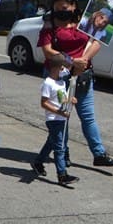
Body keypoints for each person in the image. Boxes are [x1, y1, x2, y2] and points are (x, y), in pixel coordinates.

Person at [37, 0, 113, 167]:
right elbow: (48, 50)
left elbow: (97, 41)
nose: (61, 11)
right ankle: (63, 153)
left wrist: (83, 61)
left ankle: (99, 153)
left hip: (83, 74)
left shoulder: (85, 20)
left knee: (88, 116)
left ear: (73, 6)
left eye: (64, 8)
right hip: (58, 76)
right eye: (57, 8)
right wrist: (71, 62)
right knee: (62, 116)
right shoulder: (49, 24)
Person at [31, 55, 80, 186]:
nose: (65, 70)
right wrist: (58, 112)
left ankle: (38, 162)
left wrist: (70, 101)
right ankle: (62, 174)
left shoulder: (62, 82)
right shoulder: (48, 83)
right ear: (57, 68)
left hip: (62, 118)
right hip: (53, 119)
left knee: (52, 143)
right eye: (63, 67)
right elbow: (44, 103)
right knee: (60, 147)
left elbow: (61, 99)